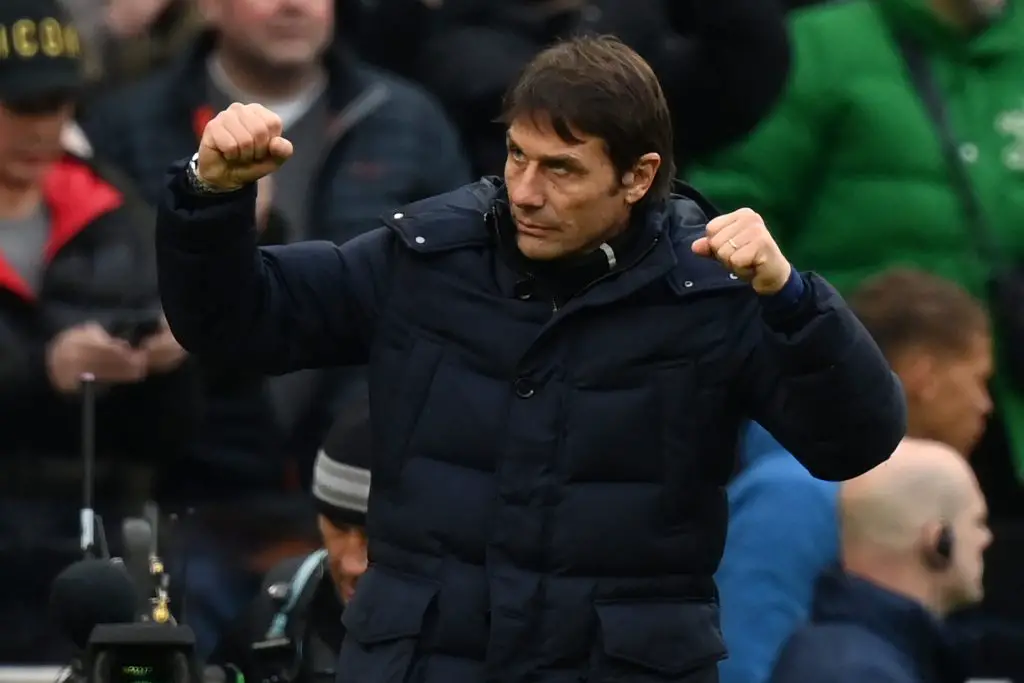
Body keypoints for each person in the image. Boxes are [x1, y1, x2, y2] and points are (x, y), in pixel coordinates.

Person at [155, 36, 906, 683]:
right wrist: (209, 196)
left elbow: (855, 441)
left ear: (638, 177)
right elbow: (237, 324)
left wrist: (794, 299)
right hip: (427, 660)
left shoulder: (716, 288)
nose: (526, 191)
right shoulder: (425, 256)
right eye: (517, 155)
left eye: (561, 169)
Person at [716, 268, 992, 683]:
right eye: (978, 379)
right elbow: (740, 664)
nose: (985, 404)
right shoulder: (791, 494)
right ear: (924, 376)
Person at [770, 438, 991, 683]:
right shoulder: (859, 673)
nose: (986, 539)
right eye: (977, 522)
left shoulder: (844, 654)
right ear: (939, 541)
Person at [210, 396, 370, 683]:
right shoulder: (279, 612)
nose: (352, 565)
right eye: (337, 527)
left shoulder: (471, 636)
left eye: (375, 536)